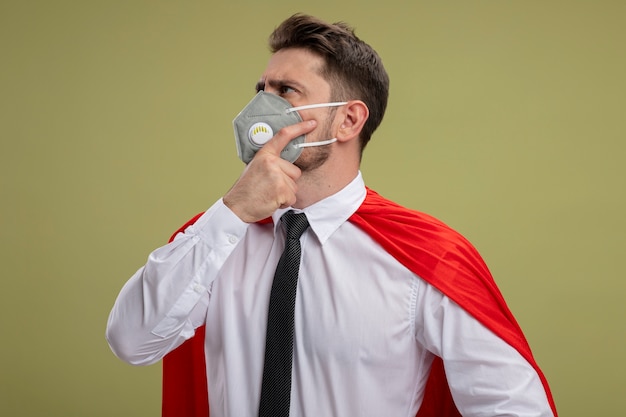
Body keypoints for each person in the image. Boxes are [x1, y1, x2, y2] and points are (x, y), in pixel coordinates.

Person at [106, 13, 558, 417]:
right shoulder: (216, 240)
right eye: (260, 89)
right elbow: (132, 340)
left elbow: (513, 405)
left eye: (286, 91)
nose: (261, 108)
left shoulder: (424, 258)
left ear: (348, 121)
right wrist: (234, 211)